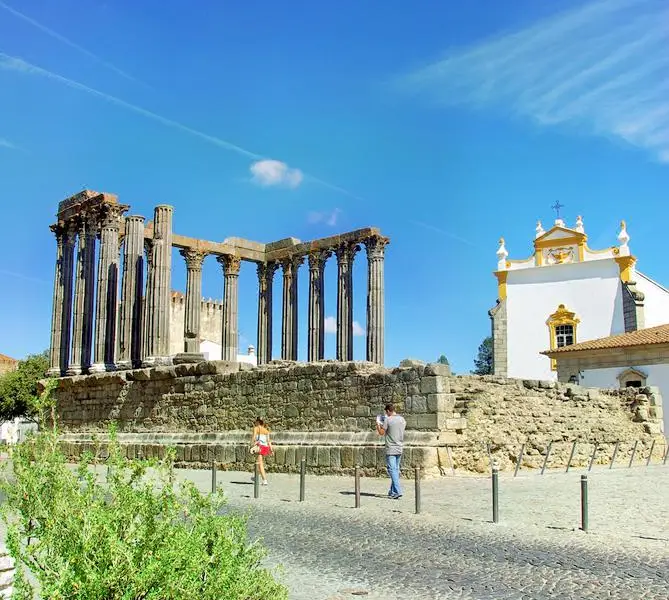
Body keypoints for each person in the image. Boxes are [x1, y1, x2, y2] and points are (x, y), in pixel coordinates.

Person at [375, 403, 406, 499]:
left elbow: (381, 433)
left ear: (388, 411)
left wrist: (378, 425)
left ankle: (397, 491)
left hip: (391, 448)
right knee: (395, 470)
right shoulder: (402, 419)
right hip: (399, 447)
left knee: (392, 470)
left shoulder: (388, 420)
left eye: (386, 412)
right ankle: (392, 491)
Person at [251, 417, 273, 485]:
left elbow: (254, 437)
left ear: (258, 422)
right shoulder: (266, 430)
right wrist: (271, 450)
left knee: (260, 464)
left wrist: (252, 444)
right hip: (265, 447)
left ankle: (264, 479)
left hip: (259, 447)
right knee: (258, 462)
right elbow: (268, 441)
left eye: (256, 422)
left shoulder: (256, 428)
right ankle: (257, 476)